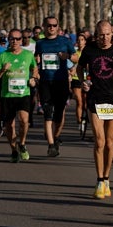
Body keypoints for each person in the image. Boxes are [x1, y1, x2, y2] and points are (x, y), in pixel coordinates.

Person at [77, 20, 113, 198]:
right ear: (96, 34)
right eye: (101, 34)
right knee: (99, 141)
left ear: (112, 34)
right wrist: (83, 82)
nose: (105, 38)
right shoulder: (89, 50)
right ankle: (100, 179)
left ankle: (107, 178)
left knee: (110, 143)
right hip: (95, 99)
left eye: (108, 34)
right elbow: (79, 69)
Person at [0, 29, 40, 162]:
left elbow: (34, 68)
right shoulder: (3, 56)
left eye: (18, 39)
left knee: (24, 120)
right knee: (9, 125)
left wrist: (34, 79)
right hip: (7, 95)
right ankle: (14, 150)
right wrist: (2, 69)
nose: (15, 41)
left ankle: (22, 143)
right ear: (8, 39)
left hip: (23, 93)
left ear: (22, 40)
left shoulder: (28, 55)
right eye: (12, 39)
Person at [35, 17, 75, 157]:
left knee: (59, 114)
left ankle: (56, 136)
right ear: (44, 27)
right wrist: (35, 71)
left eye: (54, 25)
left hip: (61, 82)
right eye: (48, 25)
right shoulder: (40, 43)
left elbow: (76, 58)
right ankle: (51, 145)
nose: (51, 28)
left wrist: (67, 56)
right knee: (48, 113)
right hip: (46, 82)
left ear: (58, 27)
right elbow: (36, 59)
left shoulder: (65, 41)